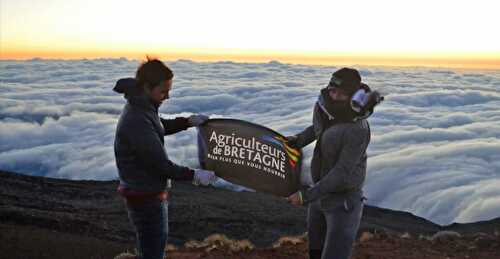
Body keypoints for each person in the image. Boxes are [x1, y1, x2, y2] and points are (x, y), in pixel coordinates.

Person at [113, 58, 216, 259]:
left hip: (145, 193)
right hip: (145, 197)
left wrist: (187, 121)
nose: (167, 96)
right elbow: (160, 165)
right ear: (146, 87)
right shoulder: (137, 118)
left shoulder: (143, 106)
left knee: (152, 246)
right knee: (153, 251)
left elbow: (160, 126)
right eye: (163, 91)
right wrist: (194, 175)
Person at [286, 68, 380, 259]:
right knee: (315, 253)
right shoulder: (324, 107)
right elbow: (318, 128)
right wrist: (298, 140)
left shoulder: (357, 128)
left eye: (341, 93)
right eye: (332, 90)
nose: (334, 95)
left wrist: (306, 196)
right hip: (319, 194)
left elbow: (342, 173)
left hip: (342, 202)